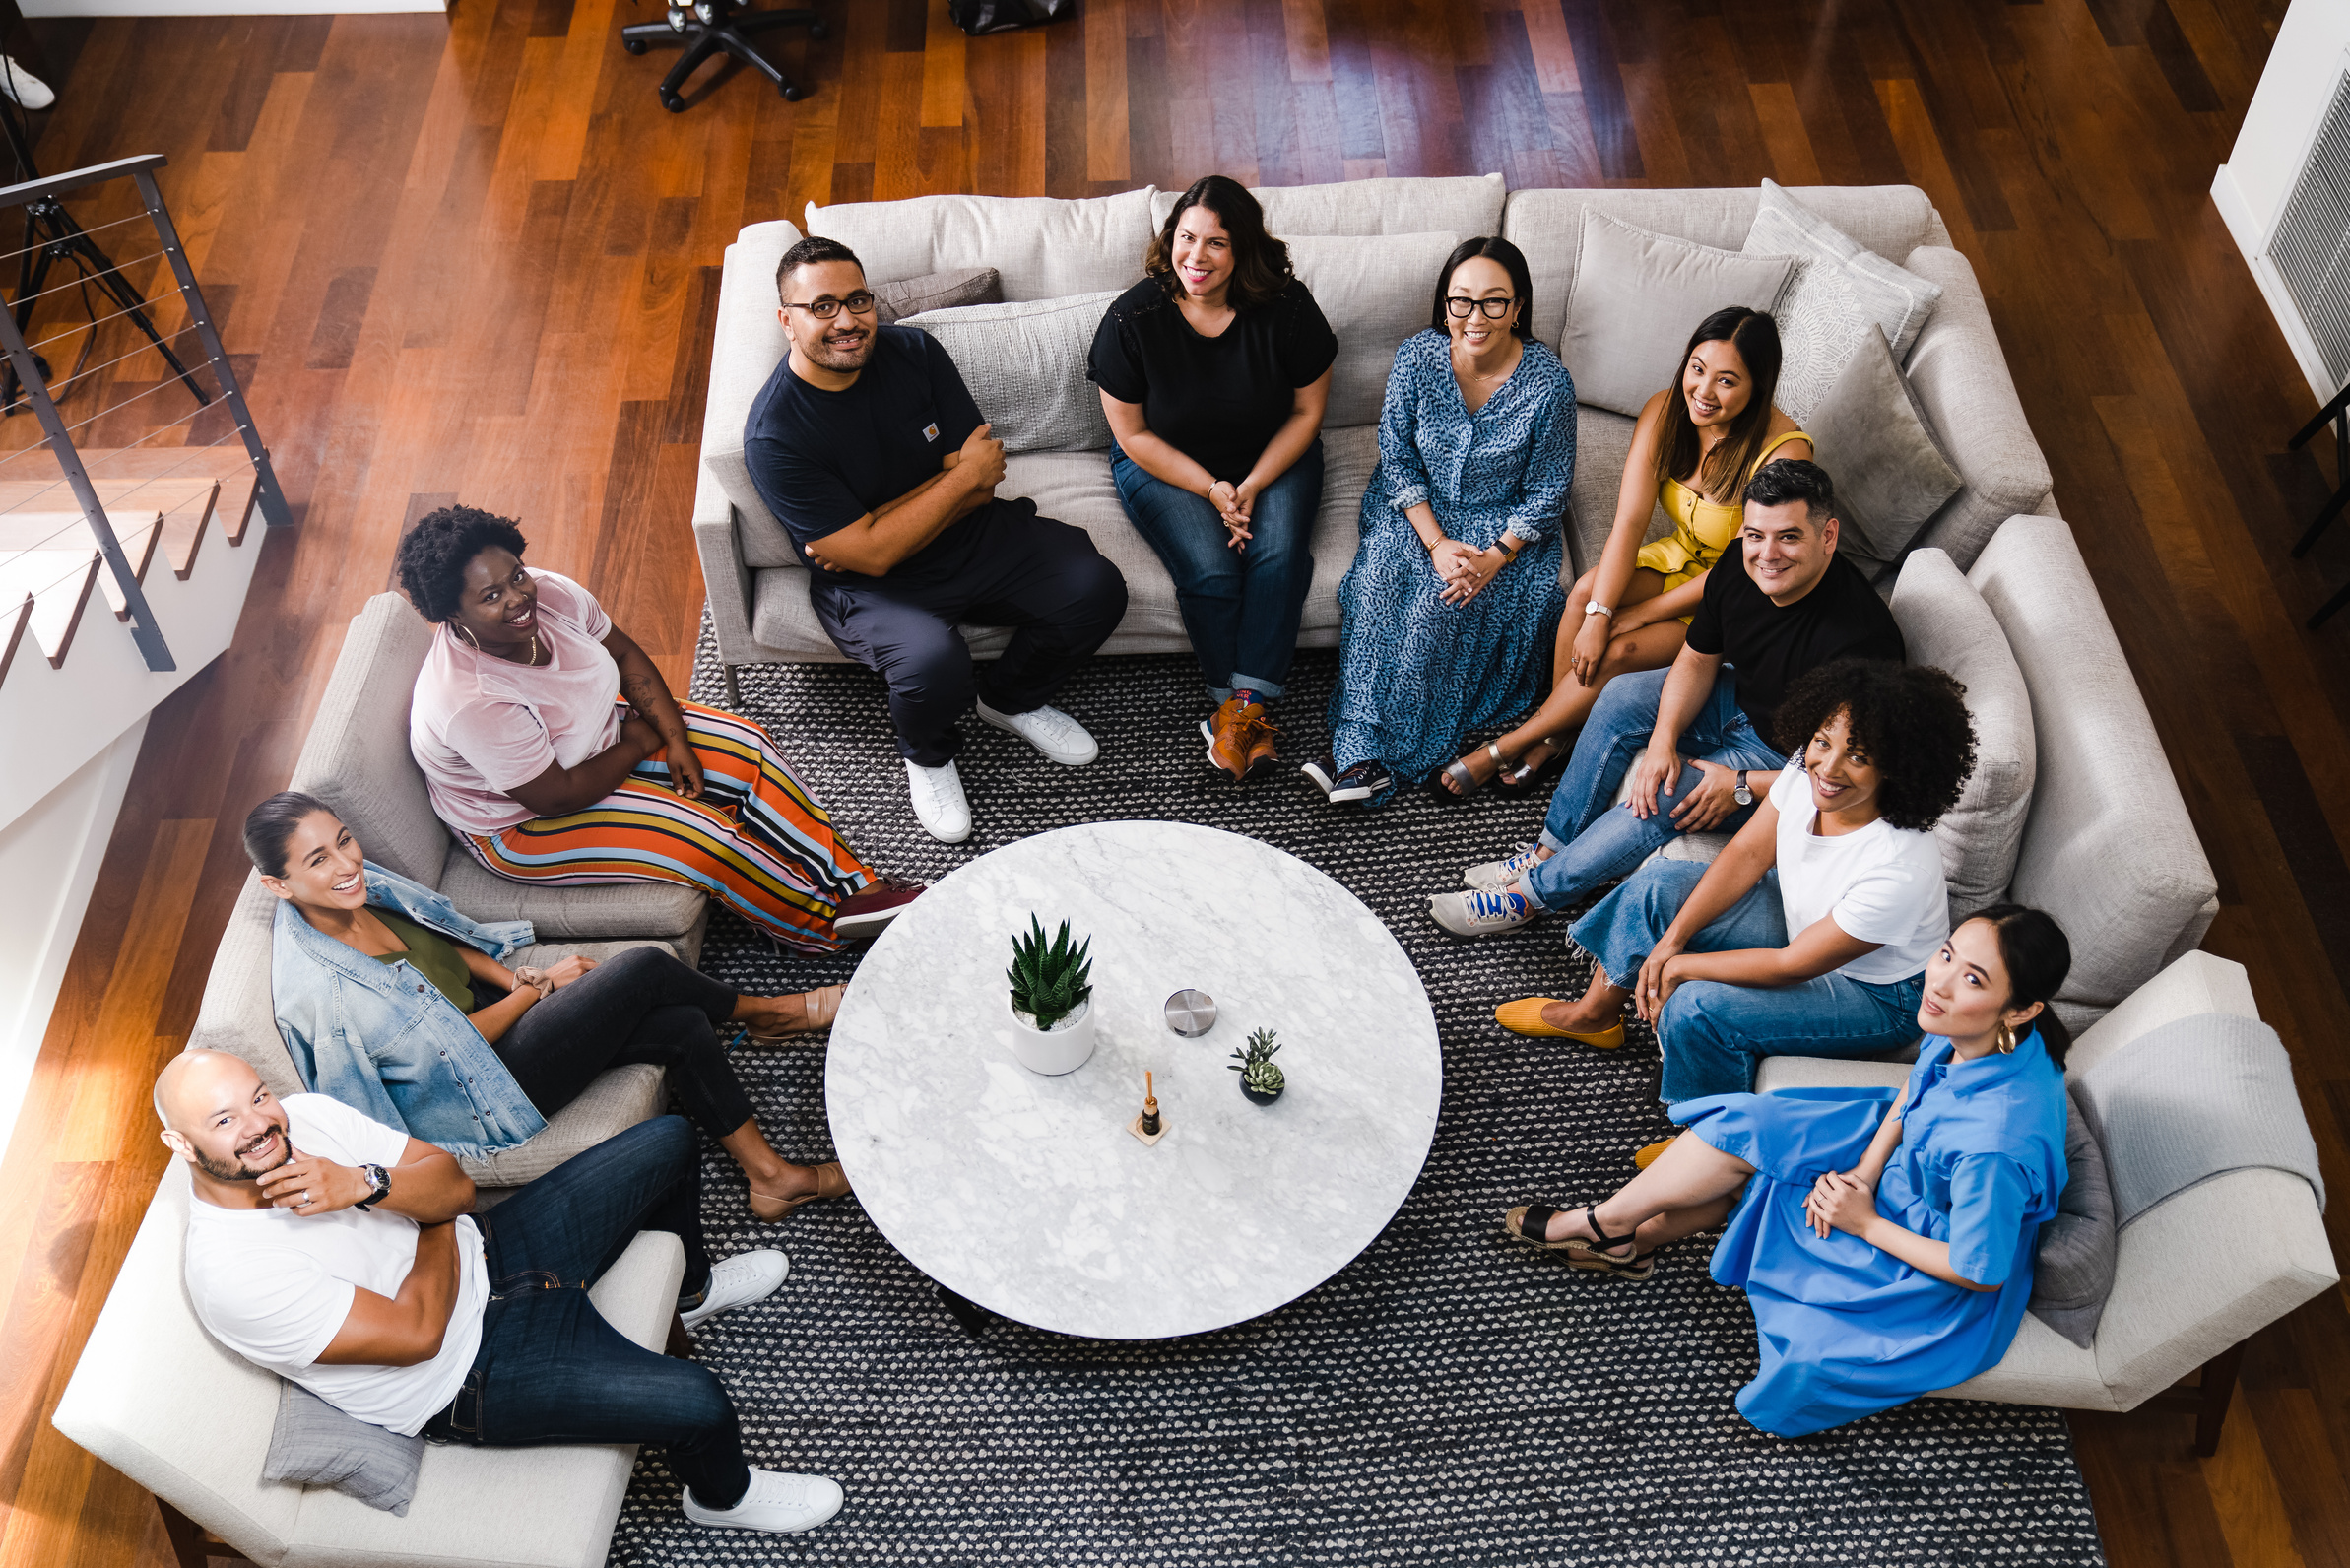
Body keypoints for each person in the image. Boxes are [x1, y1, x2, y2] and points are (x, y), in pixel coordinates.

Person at [158, 1050, 844, 1534]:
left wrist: (369, 1183)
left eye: (257, 1097)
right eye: (223, 1121)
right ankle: (725, 1499)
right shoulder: (230, 1272)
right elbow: (418, 1332)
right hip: (465, 1376)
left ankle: (691, 1290)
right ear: (180, 1145)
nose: (260, 1125)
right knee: (701, 1402)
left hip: (488, 1248)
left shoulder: (305, 1118)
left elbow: (453, 1184)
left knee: (668, 1141)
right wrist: (412, 1206)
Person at [1499, 905, 2072, 1439]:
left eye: (1973, 978)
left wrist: (1865, 1222)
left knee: (1803, 1346)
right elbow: (1916, 1090)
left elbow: (1981, 1269)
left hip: (1936, 1238)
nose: (1941, 982)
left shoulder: (1993, 1149)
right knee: (1755, 1125)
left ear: (2022, 1009)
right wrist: (1866, 1174)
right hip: (1906, 1158)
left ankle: (1628, 1237)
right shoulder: (1977, 1033)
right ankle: (1612, 1226)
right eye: (1945, 954)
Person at [249, 792, 849, 1221]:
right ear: (278, 885)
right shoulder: (327, 996)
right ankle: (767, 1013)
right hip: (480, 1091)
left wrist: (514, 979)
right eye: (318, 859)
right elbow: (453, 1049)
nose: (348, 863)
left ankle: (770, 1178)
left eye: (343, 840)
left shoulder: (353, 888)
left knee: (684, 1024)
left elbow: (443, 938)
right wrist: (541, 990)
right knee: (642, 968)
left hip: (488, 1021)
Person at [745, 236, 1129, 844]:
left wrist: (879, 523)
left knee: (1096, 588)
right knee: (931, 663)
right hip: (873, 588)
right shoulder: (775, 435)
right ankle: (927, 756)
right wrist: (932, 498)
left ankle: (1009, 698)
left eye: (857, 300)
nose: (846, 321)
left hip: (972, 536)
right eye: (822, 307)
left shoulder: (914, 350)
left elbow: (981, 480)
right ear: (787, 321)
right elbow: (872, 556)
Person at [397, 506, 916, 947]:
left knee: (749, 744)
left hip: (597, 733)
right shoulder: (472, 699)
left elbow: (622, 652)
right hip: (522, 823)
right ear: (451, 612)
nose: (517, 598)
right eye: (490, 596)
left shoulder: (551, 595)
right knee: (707, 838)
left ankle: (858, 890)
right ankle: (823, 929)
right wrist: (645, 738)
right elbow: (556, 795)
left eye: (516, 575)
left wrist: (674, 737)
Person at [1428, 459, 1902, 937]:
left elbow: (1849, 773)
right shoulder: (1741, 566)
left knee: (1663, 796)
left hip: (1782, 755)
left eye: (1789, 537)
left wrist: (1743, 782)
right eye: (1756, 534)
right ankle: (1551, 847)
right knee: (1620, 695)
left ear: (1828, 535)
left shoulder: (1861, 646)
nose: (1767, 554)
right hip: (1735, 697)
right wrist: (1662, 739)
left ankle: (1529, 897)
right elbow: (1697, 660)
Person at [1491, 659, 1973, 1095]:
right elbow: (1746, 852)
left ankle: (1708, 1136)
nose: (1828, 767)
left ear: (1896, 769)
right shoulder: (1807, 773)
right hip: (1799, 919)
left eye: (1859, 757)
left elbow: (1792, 965)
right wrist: (1672, 939)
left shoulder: (1899, 864)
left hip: (1876, 995)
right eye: (1824, 742)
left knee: (1697, 1005)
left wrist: (1679, 966)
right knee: (1657, 888)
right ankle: (1593, 1016)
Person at [1443, 307, 1808, 795]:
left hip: (1738, 594)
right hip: (1683, 558)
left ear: (1757, 388)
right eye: (1697, 369)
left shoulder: (1785, 453)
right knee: (1585, 595)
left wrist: (1635, 616)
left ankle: (1509, 745)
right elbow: (1630, 522)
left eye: (1726, 381)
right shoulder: (1665, 409)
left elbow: (1745, 566)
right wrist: (1599, 612)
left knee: (1619, 648)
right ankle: (1557, 734)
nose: (1702, 391)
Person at [1303, 236, 1574, 806]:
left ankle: (1380, 761)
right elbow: (1397, 457)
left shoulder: (1548, 383)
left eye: (1493, 302)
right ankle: (1359, 751)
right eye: (1461, 302)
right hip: (1415, 510)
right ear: (1444, 303)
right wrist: (1435, 541)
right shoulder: (1416, 357)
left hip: (1499, 529)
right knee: (1375, 590)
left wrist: (1492, 559)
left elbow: (1548, 492)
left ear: (1518, 306)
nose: (1475, 318)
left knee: (1436, 607)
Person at [1089, 174, 1338, 781]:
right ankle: (1244, 718)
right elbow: (1133, 436)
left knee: (1279, 557)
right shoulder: (1132, 318)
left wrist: (1250, 485)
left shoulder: (1287, 307)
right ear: (1170, 238)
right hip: (1164, 463)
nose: (1195, 258)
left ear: (1244, 249)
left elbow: (1307, 413)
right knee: (1212, 571)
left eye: (1216, 244)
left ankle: (1235, 715)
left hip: (1274, 457)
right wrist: (1210, 488)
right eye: (1185, 237)